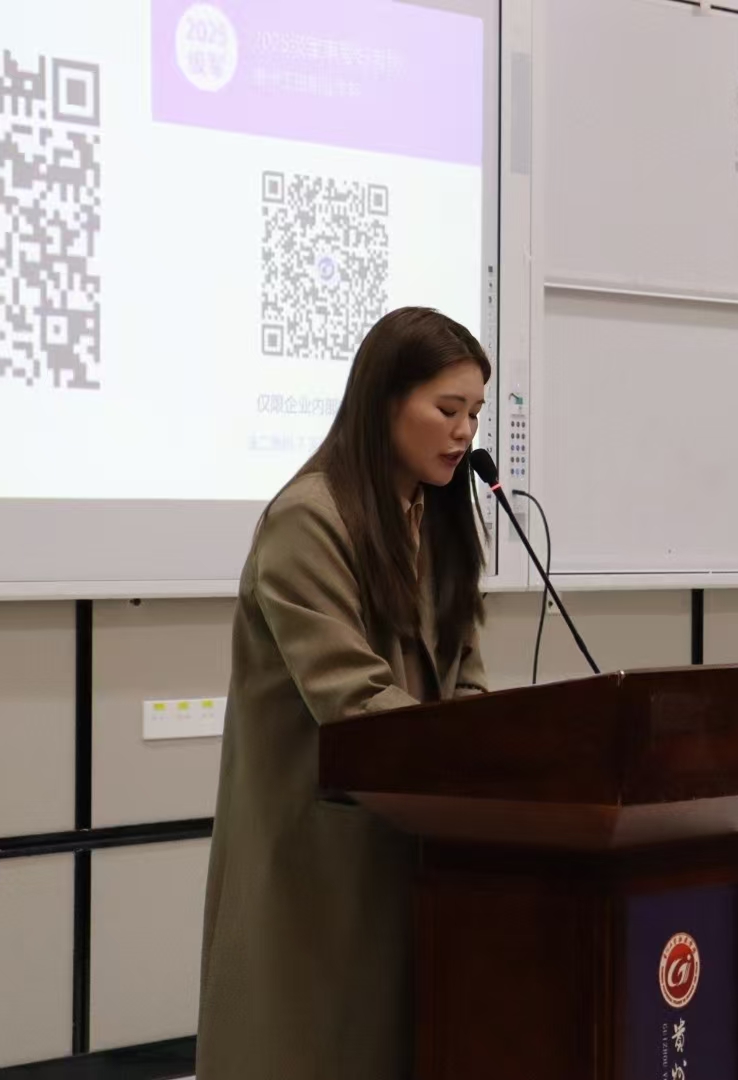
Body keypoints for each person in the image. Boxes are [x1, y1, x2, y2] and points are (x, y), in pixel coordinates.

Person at [197, 307, 491, 1079]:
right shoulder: (308, 521)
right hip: (322, 858)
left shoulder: (438, 517)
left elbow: (466, 671)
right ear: (383, 400)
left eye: (474, 413)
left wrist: (498, 750)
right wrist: (475, 764)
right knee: (313, 1049)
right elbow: (356, 702)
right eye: (447, 409)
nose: (464, 433)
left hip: (419, 839)